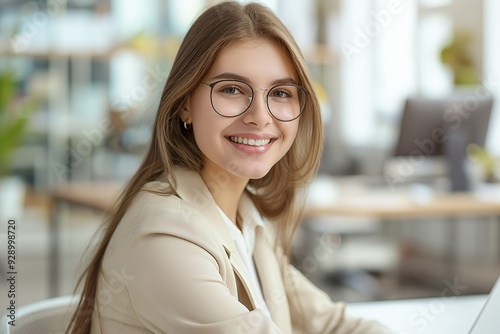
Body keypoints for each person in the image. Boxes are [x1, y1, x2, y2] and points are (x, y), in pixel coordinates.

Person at [67, 2, 394, 333]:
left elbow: (331, 323)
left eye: (281, 93)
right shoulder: (164, 237)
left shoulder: (247, 219)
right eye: (232, 89)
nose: (261, 116)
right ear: (184, 104)